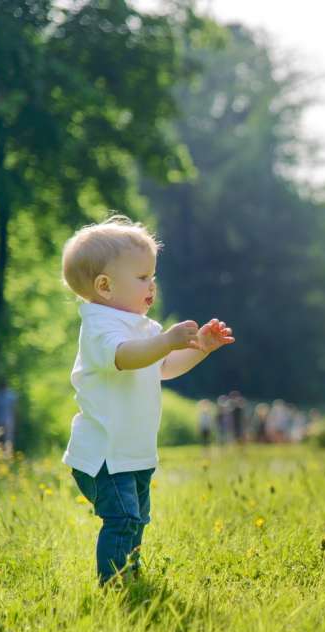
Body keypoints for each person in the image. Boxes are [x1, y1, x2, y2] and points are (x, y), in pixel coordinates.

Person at [60, 215, 235, 584]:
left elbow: (165, 367)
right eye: (142, 278)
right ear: (105, 286)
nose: (152, 285)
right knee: (122, 518)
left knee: (137, 519)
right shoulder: (99, 327)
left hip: (134, 451)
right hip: (105, 455)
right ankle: (114, 585)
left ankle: (130, 574)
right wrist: (165, 341)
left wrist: (200, 347)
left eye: (152, 276)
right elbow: (124, 357)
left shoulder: (145, 328)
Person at [0, 380, 18, 455]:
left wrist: (15, 420)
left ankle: (7, 456)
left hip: (7, 422)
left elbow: (14, 409)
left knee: (8, 440)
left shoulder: (11, 396)